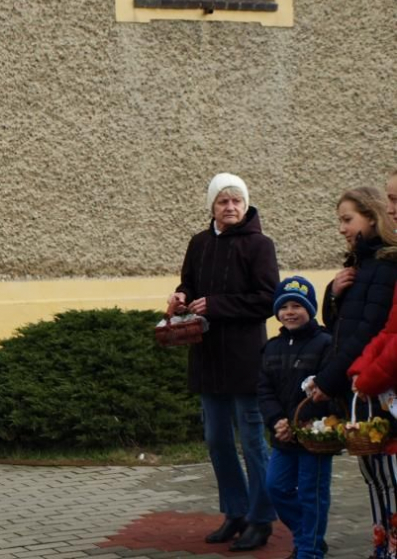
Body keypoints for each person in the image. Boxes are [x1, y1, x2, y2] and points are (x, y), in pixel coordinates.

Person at [169, 172, 278, 551]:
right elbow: (189, 284)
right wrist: (182, 297)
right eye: (222, 201)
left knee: (252, 443)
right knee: (217, 441)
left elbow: (267, 301)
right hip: (207, 357)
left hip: (246, 359)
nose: (230, 207)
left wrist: (216, 305)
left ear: (245, 205)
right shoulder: (198, 243)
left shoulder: (260, 245)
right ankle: (235, 512)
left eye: (236, 201)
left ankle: (262, 519)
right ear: (212, 207)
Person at [308, 185, 397, 559]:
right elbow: (338, 325)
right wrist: (334, 292)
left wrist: (329, 379)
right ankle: (382, 544)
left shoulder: (386, 265)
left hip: (377, 386)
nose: (342, 228)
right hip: (358, 384)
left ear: (372, 217)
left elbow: (369, 330)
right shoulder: (361, 266)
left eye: (348, 219)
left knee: (389, 476)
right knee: (374, 476)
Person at [259, 276, 334, 559]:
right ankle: (308, 535)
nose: (290, 311)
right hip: (283, 437)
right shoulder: (271, 347)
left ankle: (309, 551)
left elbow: (329, 390)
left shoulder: (326, 344)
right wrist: (276, 421)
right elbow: (264, 391)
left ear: (310, 309)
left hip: (314, 437)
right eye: (284, 306)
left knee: (311, 495)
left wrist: (303, 424)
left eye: (297, 306)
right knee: (275, 488)